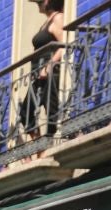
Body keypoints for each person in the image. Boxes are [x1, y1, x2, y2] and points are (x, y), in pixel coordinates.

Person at [19, 0, 68, 137]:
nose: (38, 4)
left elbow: (64, 44)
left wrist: (49, 66)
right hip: (40, 74)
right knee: (26, 113)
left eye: (40, 2)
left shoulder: (58, 18)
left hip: (50, 73)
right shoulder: (47, 22)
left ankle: (49, 142)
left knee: (51, 108)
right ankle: (41, 148)